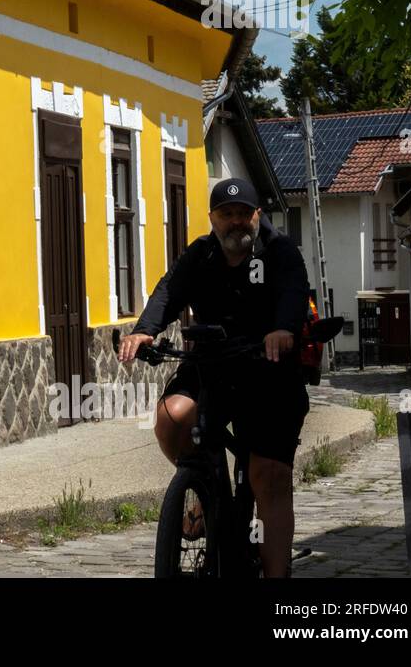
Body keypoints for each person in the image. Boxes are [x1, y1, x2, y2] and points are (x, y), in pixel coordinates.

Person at [118, 177, 310, 577]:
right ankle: (204, 493)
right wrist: (144, 329)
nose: (236, 222)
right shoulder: (202, 254)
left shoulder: (279, 252)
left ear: (257, 215)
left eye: (244, 213)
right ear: (213, 218)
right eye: (227, 214)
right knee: (172, 417)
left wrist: (283, 328)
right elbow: (170, 290)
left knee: (267, 476)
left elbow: (294, 291)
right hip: (212, 366)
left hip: (269, 372)